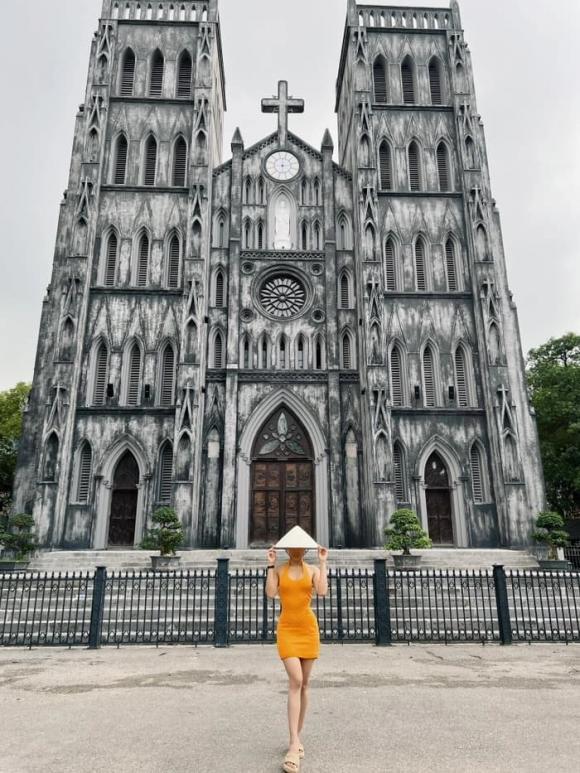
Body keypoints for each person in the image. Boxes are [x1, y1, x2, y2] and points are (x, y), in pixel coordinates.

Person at [265, 541, 329, 773]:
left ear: (305, 550)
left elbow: (322, 591)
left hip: (308, 629)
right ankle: (293, 744)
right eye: (291, 548)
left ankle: (297, 738)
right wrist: (270, 565)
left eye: (299, 548)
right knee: (296, 681)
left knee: (305, 685)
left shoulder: (312, 570)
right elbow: (271, 593)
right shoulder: (279, 569)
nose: (295, 552)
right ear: (286, 550)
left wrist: (323, 562)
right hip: (288, 630)